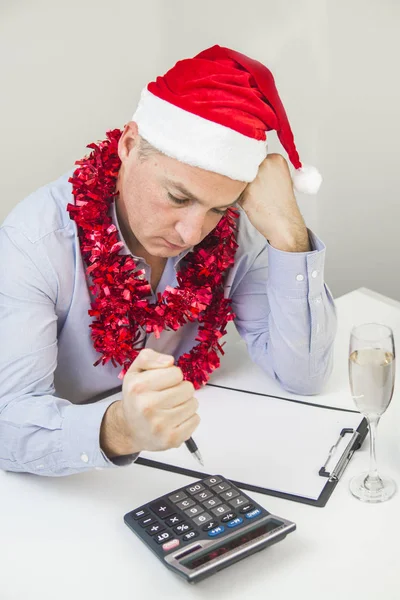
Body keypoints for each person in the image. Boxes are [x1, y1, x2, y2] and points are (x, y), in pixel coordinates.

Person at [0, 45, 336, 476]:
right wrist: (120, 429)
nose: (192, 233)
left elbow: (304, 375)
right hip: (59, 483)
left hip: (184, 460)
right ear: (129, 144)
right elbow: (9, 423)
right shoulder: (34, 241)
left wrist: (290, 234)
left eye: (219, 208)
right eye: (178, 197)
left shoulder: (236, 231)